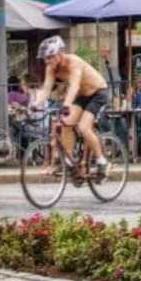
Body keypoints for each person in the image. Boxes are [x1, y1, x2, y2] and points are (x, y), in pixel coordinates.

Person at [32, 35, 110, 179]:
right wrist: (35, 104)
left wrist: (66, 104)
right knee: (65, 123)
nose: (47, 61)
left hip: (98, 93)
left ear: (60, 53)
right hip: (82, 96)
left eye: (50, 57)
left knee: (83, 127)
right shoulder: (51, 68)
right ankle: (69, 162)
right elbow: (47, 88)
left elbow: (74, 85)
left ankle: (101, 161)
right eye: (45, 58)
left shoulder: (74, 62)